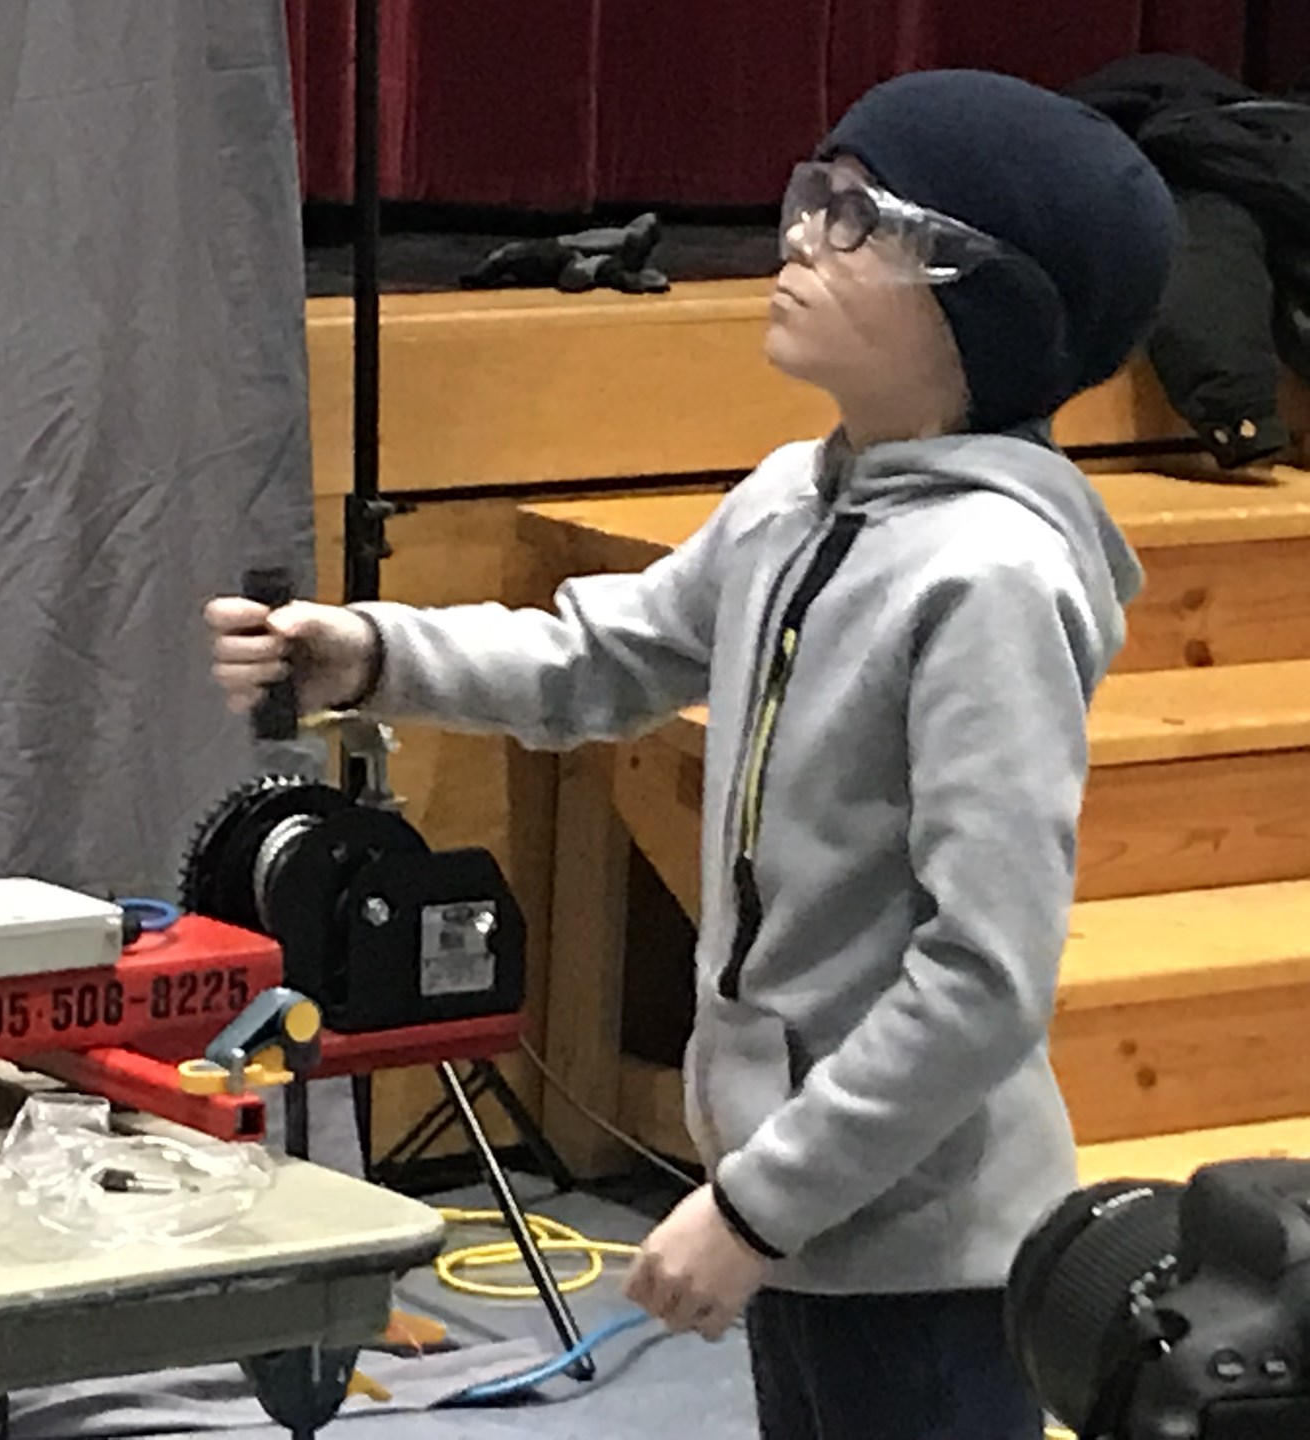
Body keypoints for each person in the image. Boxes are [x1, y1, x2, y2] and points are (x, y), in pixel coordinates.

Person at [206, 70, 1176, 1440]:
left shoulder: (991, 581)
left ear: (984, 303)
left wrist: (755, 1204)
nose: (799, 236)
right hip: (803, 1221)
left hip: (920, 1261)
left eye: (859, 218)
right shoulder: (794, 497)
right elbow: (598, 661)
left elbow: (983, 978)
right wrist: (370, 654)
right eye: (811, 193)